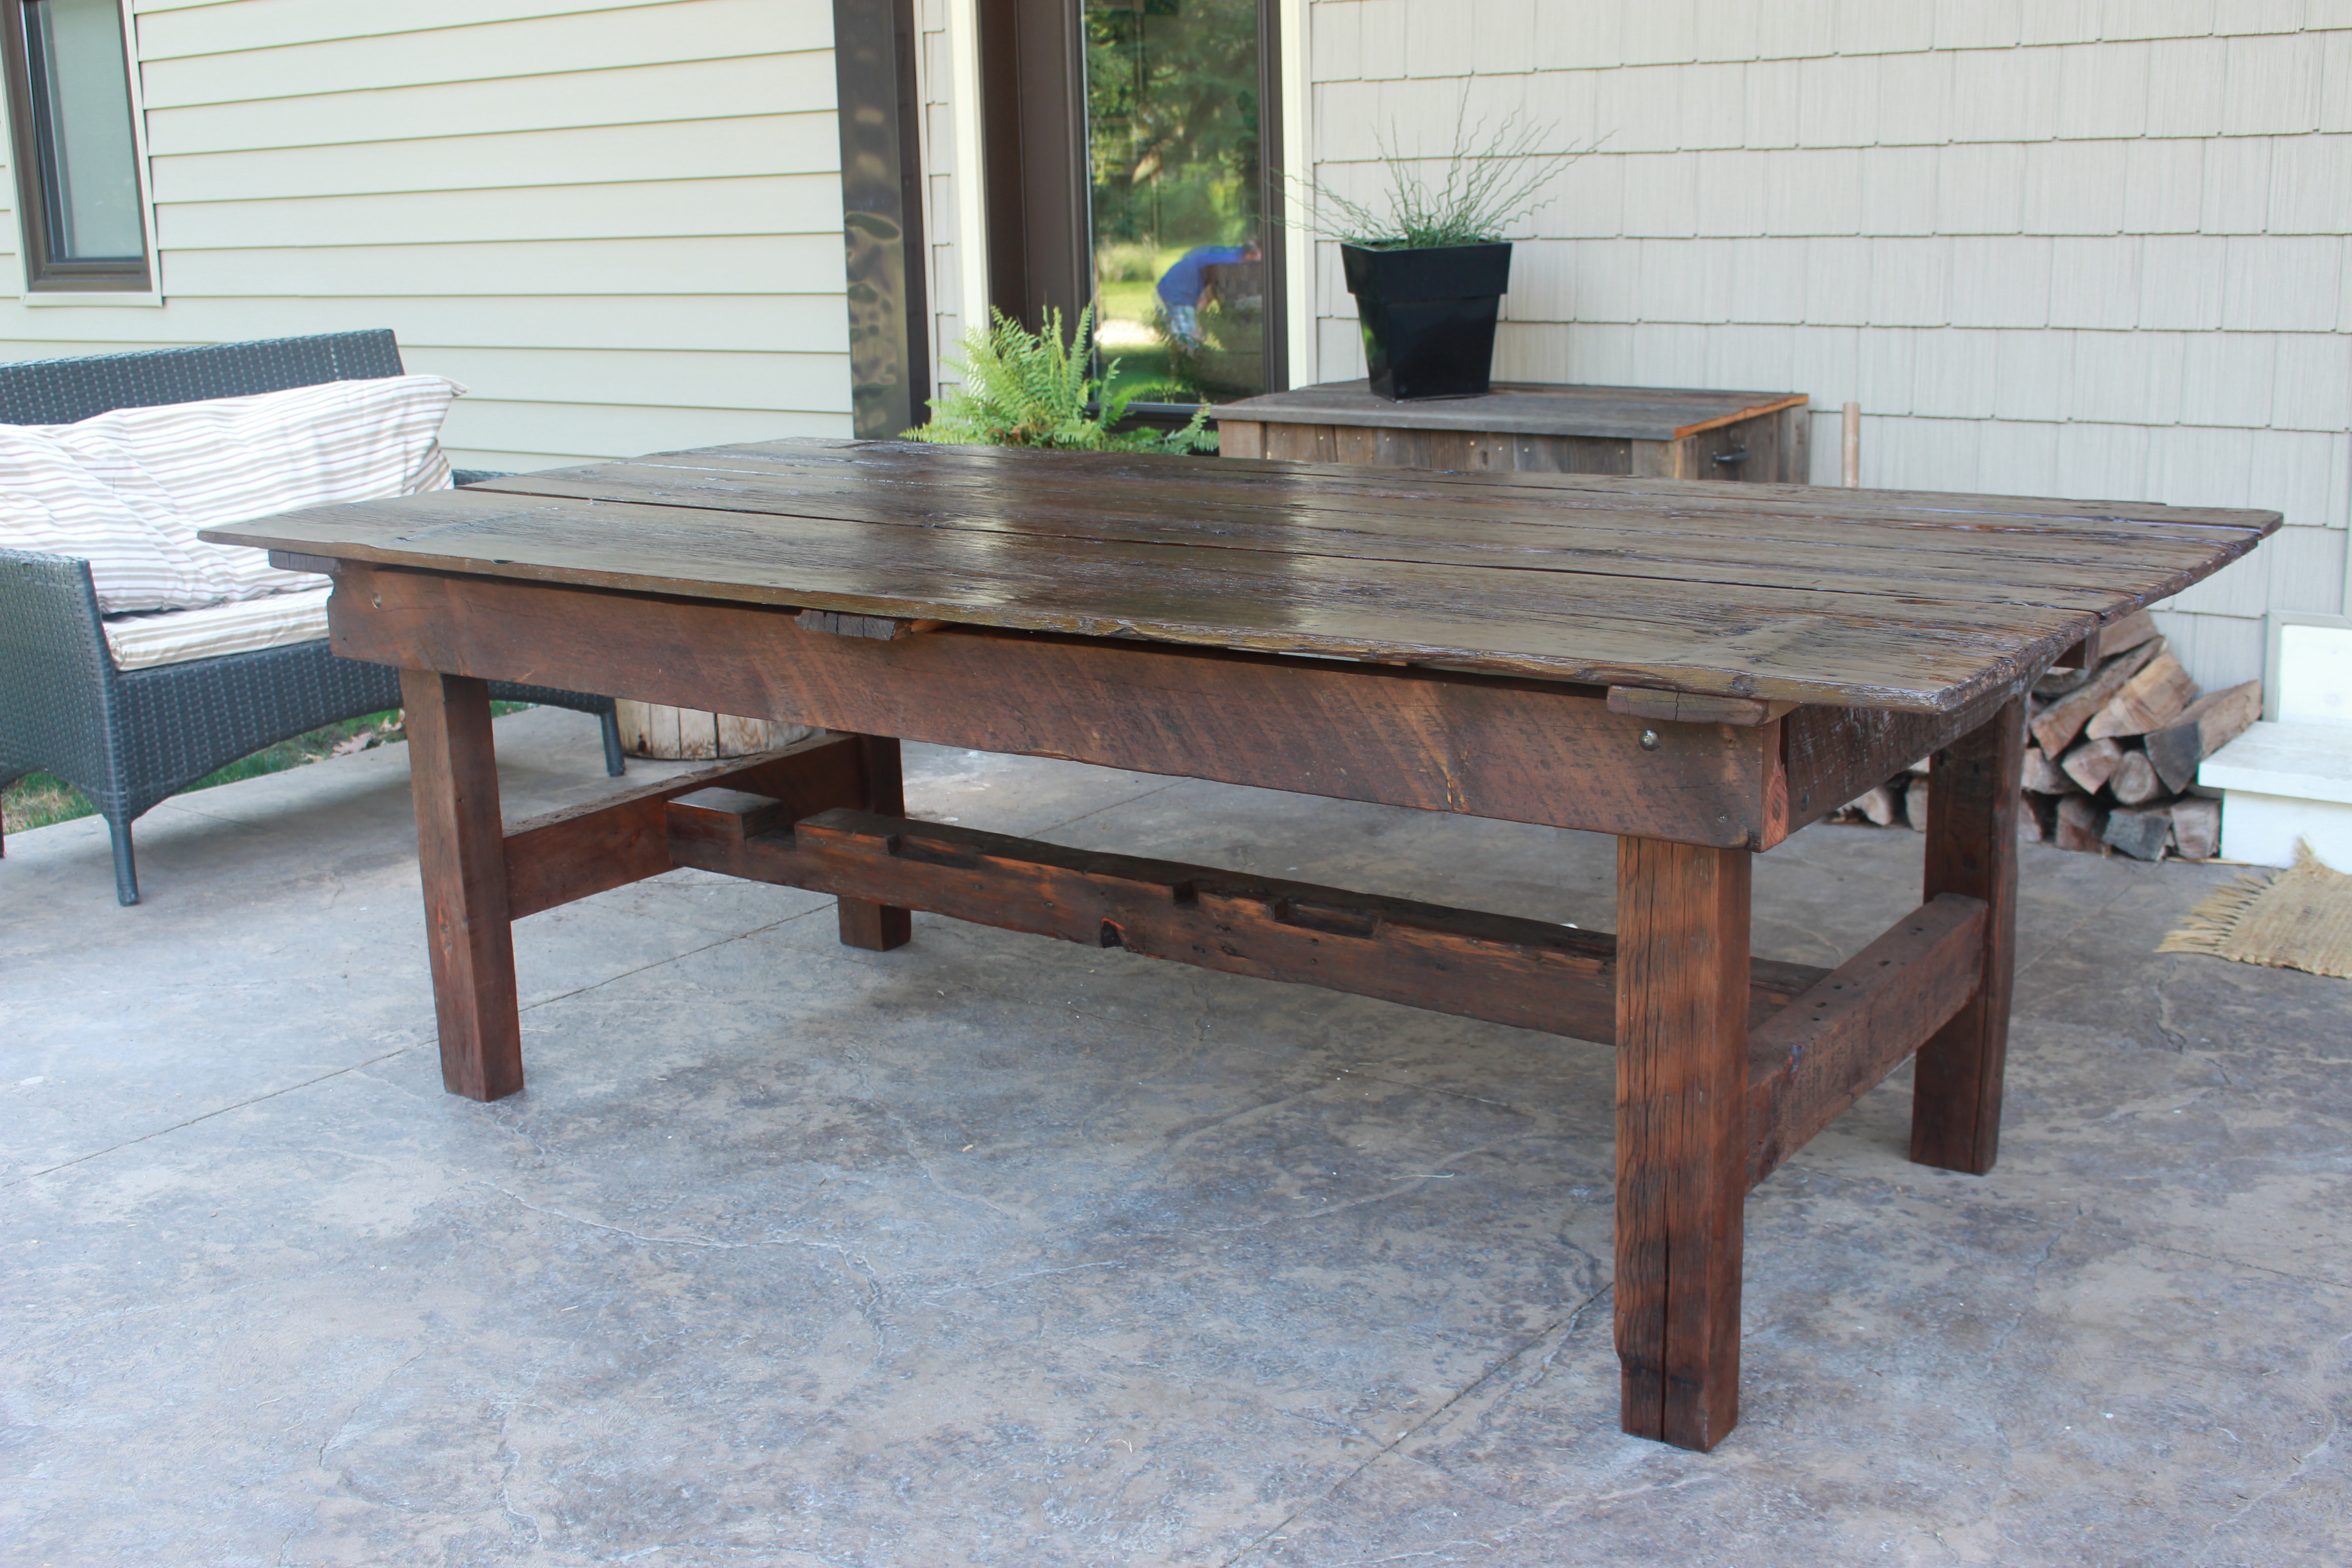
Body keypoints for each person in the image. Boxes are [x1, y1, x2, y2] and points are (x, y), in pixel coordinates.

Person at [1156, 238, 1260, 346]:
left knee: (1192, 338)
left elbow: (1209, 294)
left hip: (1176, 285)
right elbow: (1209, 295)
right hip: (1178, 291)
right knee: (1189, 342)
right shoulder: (1232, 266)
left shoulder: (1234, 256)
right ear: (1250, 256)